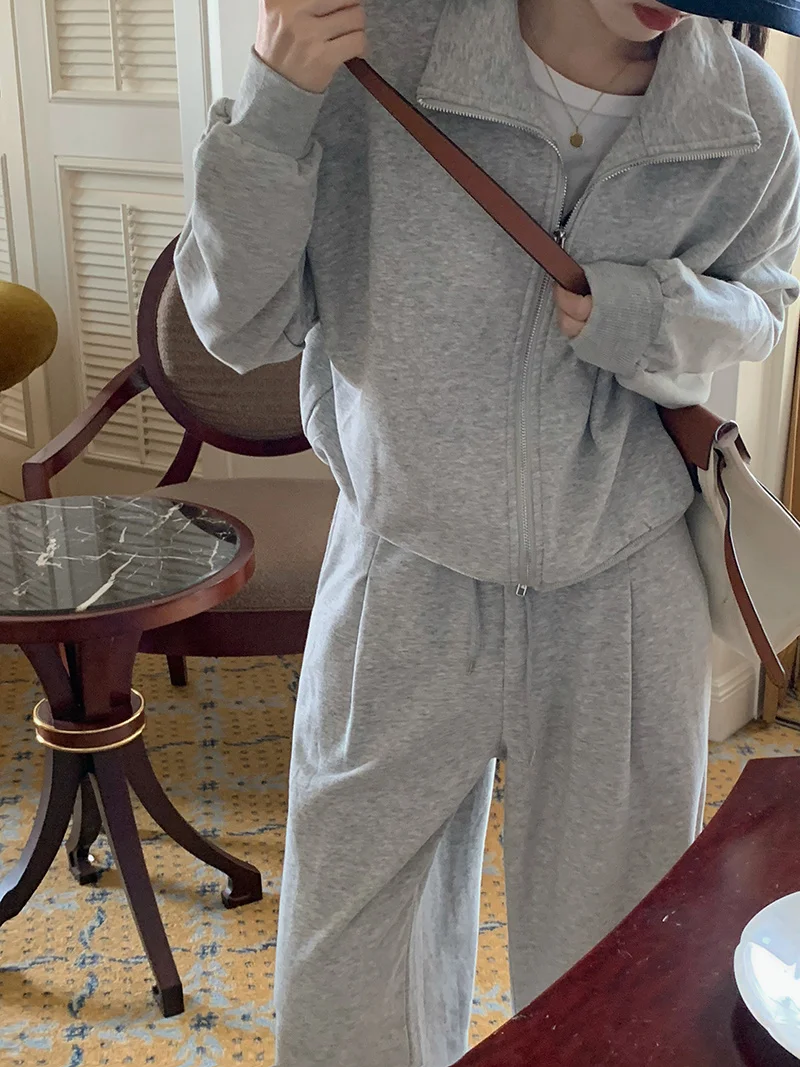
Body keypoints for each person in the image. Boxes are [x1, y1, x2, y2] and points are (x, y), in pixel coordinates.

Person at [175, 1, 800, 1063]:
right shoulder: (379, 45)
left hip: (622, 589)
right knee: (348, 971)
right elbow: (237, 322)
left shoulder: (744, 112)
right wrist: (276, 104)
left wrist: (649, 312)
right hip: (403, 575)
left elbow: (763, 306)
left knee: (611, 970)